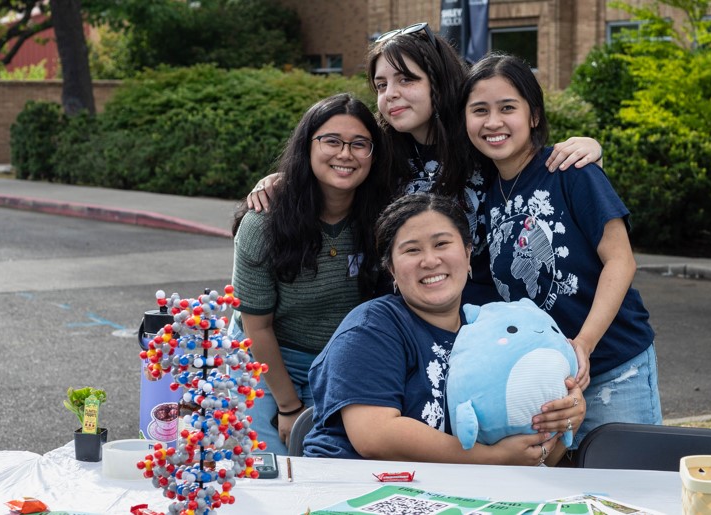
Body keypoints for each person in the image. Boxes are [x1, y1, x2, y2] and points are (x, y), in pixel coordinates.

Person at [247, 22, 604, 306]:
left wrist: (589, 147)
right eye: (381, 85)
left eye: (406, 79)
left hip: (483, 327)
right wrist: (285, 178)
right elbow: (335, 168)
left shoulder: (480, 141)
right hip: (401, 321)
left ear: (439, 81)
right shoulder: (381, 153)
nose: (391, 94)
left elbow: (531, 158)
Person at [461, 53, 662, 444]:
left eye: (508, 108)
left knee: (627, 488)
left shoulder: (570, 169)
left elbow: (621, 261)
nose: (493, 122)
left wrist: (582, 345)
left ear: (533, 115)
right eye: (479, 110)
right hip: (535, 380)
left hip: (612, 367)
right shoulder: (480, 193)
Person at [302, 194, 586, 465]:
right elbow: (373, 436)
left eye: (441, 244)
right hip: (351, 486)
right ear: (391, 269)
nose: (429, 260)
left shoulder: (492, 329)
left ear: (467, 252)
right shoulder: (373, 326)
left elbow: (533, 457)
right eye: (412, 250)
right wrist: (492, 459)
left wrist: (566, 417)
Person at [229, 93, 390, 455]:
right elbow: (257, 328)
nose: (345, 154)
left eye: (359, 144)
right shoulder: (264, 223)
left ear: (373, 155)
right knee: (265, 468)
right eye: (331, 141)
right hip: (263, 360)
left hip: (341, 365)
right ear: (308, 146)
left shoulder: (384, 218)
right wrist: (288, 406)